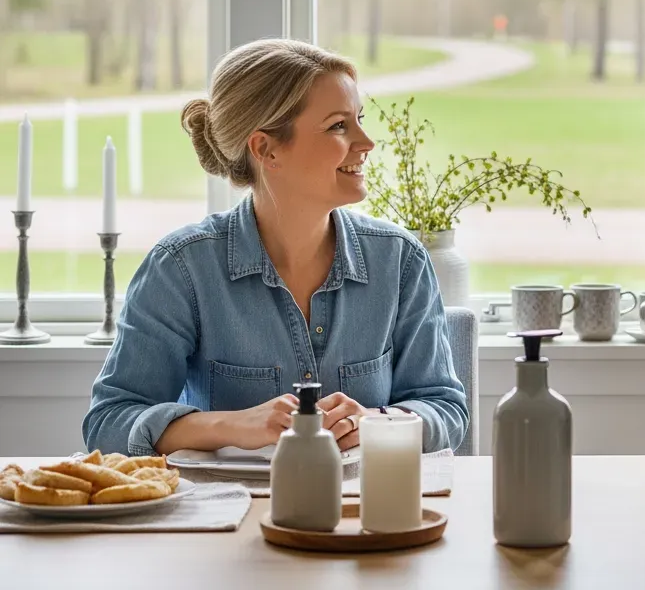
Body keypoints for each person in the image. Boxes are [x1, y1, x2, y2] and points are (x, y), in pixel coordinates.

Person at [83, 39, 468, 457]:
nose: (366, 142)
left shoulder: (400, 261)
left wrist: (377, 422)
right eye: (339, 125)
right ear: (267, 150)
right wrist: (233, 425)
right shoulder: (182, 268)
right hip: (229, 514)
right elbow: (108, 421)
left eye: (359, 119)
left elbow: (445, 408)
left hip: (367, 512)